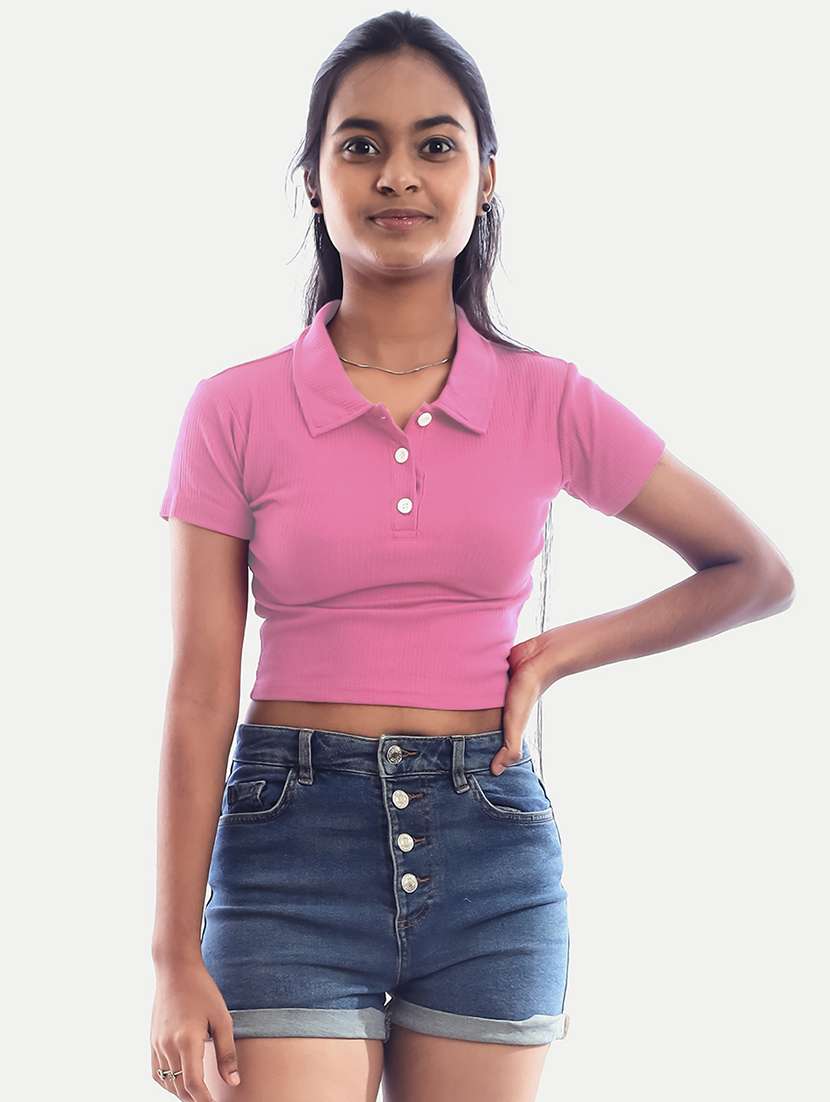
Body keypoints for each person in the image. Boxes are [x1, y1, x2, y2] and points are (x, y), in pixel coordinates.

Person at [149, 11, 795, 1102]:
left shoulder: (548, 400)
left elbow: (754, 573)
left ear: (485, 178)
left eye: (435, 145)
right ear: (313, 181)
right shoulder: (233, 410)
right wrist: (171, 957)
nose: (397, 174)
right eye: (360, 144)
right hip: (286, 851)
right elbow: (200, 691)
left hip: (488, 851)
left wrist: (553, 654)